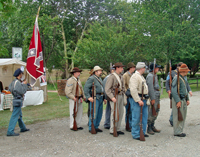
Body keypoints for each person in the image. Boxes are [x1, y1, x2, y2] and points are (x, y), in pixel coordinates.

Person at [129, 62, 149, 140]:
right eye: (144, 68)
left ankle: (142, 132)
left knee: (144, 117)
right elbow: (133, 89)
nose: (145, 69)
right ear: (141, 68)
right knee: (136, 117)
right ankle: (136, 134)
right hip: (138, 99)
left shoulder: (140, 76)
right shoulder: (135, 77)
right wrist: (138, 100)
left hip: (143, 99)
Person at [7, 68, 29, 136]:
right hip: (18, 100)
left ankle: (23, 127)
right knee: (15, 115)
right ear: (19, 74)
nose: (22, 75)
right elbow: (22, 91)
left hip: (16, 99)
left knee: (19, 115)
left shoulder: (14, 82)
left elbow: (10, 89)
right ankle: (10, 131)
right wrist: (25, 85)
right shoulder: (17, 83)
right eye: (21, 74)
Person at [105, 62, 126, 136]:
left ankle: (118, 128)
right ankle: (112, 129)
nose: (122, 69)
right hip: (114, 97)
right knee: (114, 113)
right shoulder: (112, 76)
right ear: (117, 68)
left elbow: (123, 87)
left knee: (121, 112)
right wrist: (112, 97)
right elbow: (107, 89)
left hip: (120, 96)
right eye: (121, 67)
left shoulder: (121, 76)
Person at [84, 66, 106, 133]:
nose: (101, 72)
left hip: (100, 97)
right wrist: (88, 97)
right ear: (96, 72)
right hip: (95, 97)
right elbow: (86, 88)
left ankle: (96, 127)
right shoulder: (91, 78)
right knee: (94, 114)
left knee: (99, 113)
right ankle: (91, 127)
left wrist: (104, 98)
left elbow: (102, 89)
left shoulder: (99, 78)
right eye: (99, 71)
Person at [171, 64, 190, 137]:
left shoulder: (183, 78)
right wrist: (177, 101)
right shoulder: (177, 78)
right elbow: (174, 90)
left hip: (183, 99)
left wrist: (187, 98)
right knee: (177, 116)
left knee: (183, 115)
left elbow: (184, 89)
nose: (187, 72)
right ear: (184, 71)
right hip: (179, 99)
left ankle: (180, 130)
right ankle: (177, 131)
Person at [146, 63, 161, 135]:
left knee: (156, 110)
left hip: (157, 95)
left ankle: (152, 125)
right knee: (152, 111)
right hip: (153, 95)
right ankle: (149, 127)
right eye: (157, 68)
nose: (158, 69)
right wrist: (152, 98)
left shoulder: (155, 75)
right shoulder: (150, 76)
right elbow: (150, 88)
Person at [123, 62, 136, 132]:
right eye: (133, 67)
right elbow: (123, 85)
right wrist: (127, 92)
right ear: (130, 68)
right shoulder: (125, 75)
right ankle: (128, 125)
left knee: (132, 111)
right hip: (128, 96)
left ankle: (131, 125)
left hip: (132, 95)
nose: (134, 68)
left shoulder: (133, 75)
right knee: (128, 111)